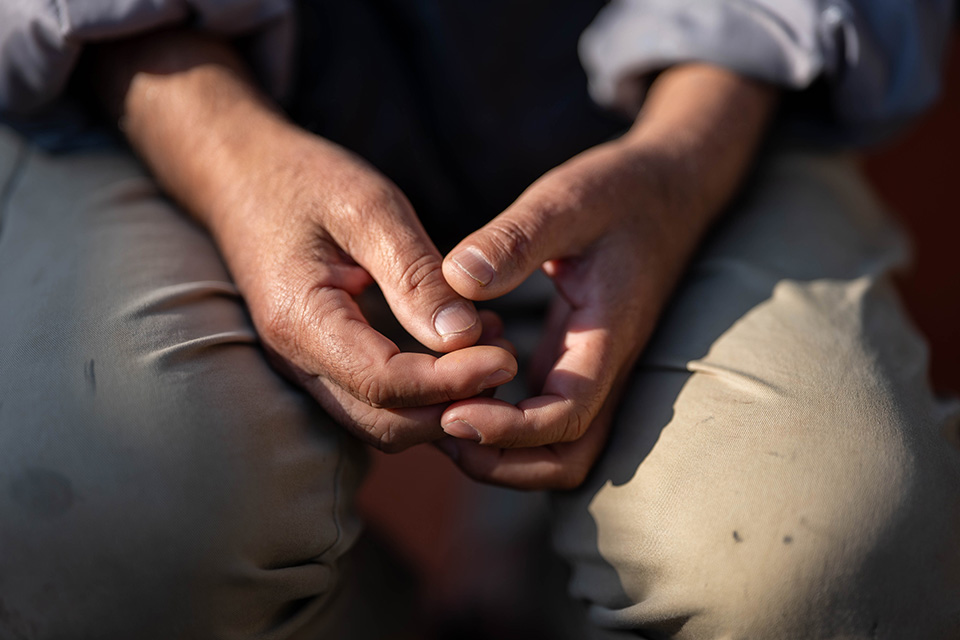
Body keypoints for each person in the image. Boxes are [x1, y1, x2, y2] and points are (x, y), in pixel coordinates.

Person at [1, 1, 958, 638]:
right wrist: (228, 154)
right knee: (90, 518)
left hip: (695, 111)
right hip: (156, 100)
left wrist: (679, 163)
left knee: (824, 558)